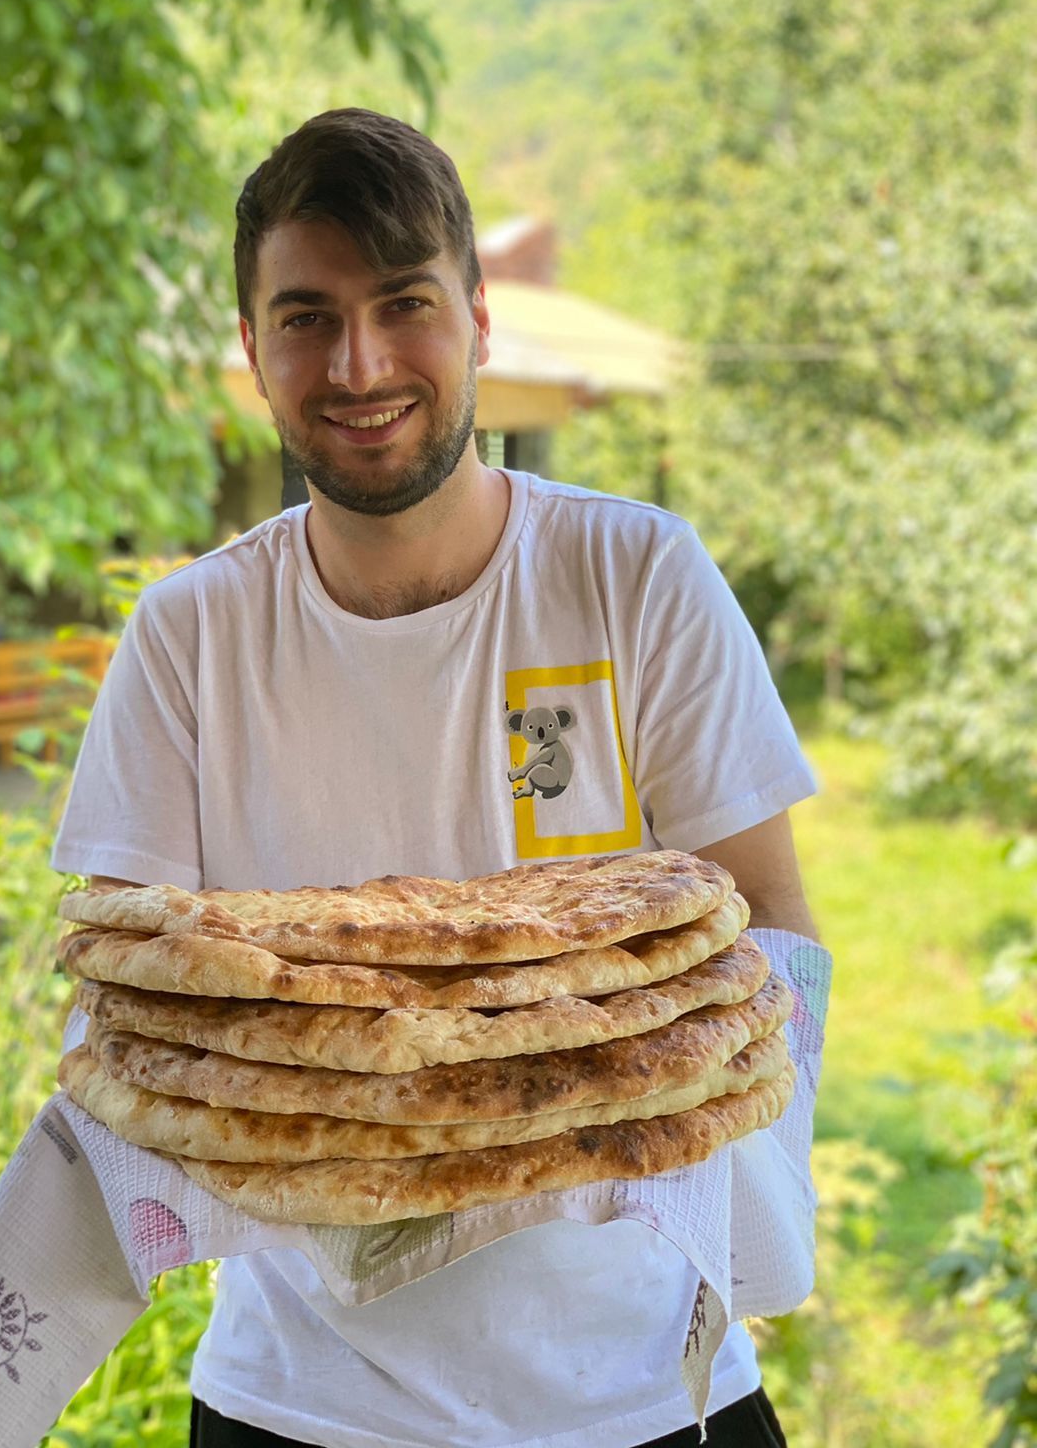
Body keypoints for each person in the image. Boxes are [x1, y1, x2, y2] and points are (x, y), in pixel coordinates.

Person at [51, 107, 822, 1448]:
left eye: (402, 302)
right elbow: (123, 1031)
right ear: (253, 349)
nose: (357, 364)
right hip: (296, 1403)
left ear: (478, 317)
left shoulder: (635, 577)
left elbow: (776, 948)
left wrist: (575, 1144)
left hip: (645, 1394)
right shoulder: (189, 638)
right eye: (304, 316)